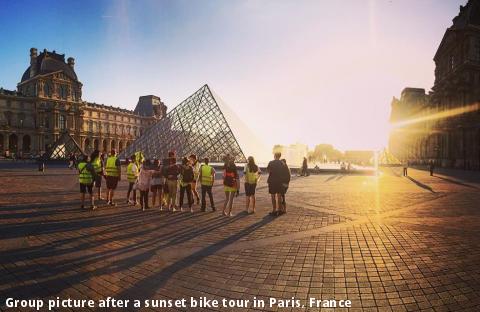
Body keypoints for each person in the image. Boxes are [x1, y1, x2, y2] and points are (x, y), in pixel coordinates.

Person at [267, 152, 287, 216]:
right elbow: (285, 172)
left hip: (272, 181)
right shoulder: (282, 163)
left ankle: (274, 210)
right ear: (280, 156)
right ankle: (280, 210)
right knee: (279, 196)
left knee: (273, 196)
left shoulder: (271, 162)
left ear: (274, 156)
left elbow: (268, 170)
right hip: (280, 182)